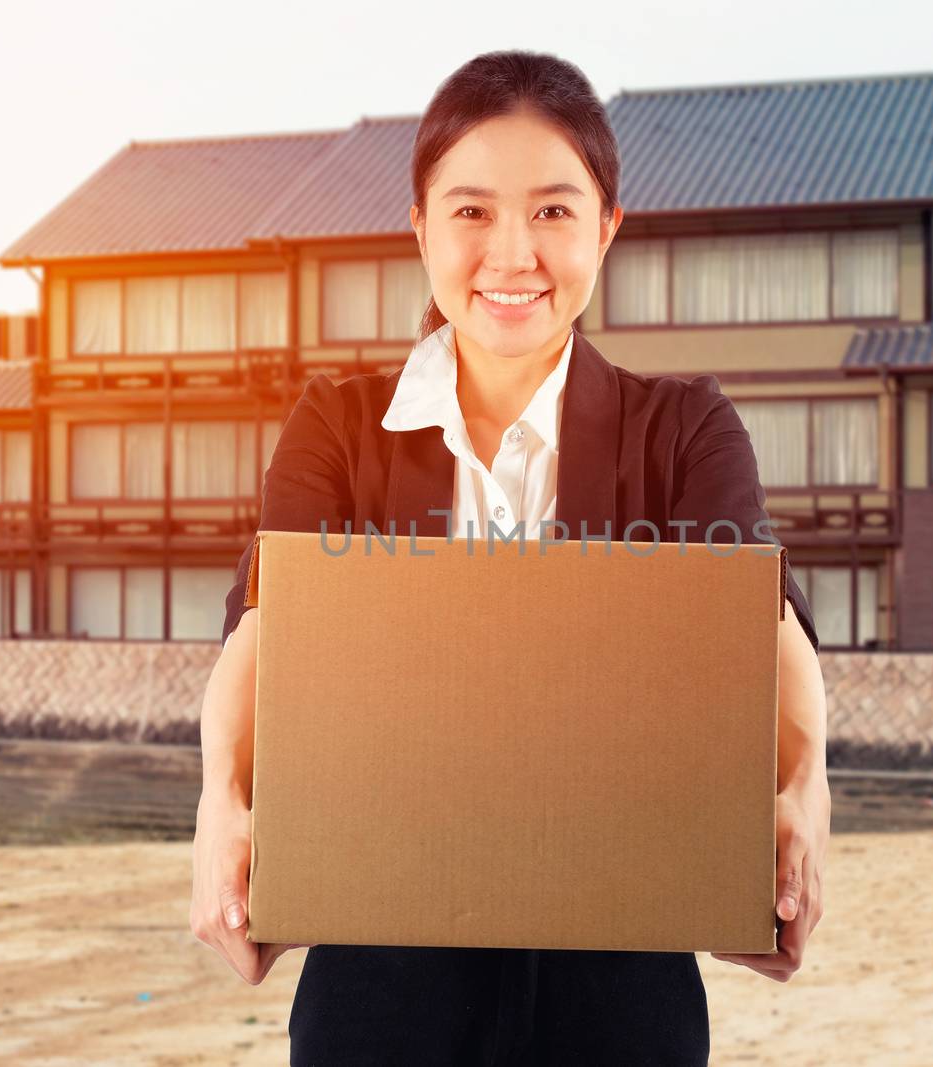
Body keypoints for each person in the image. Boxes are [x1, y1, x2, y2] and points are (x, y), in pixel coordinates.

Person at [190, 48, 831, 1066]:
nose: (511, 254)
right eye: (473, 211)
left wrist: (803, 787)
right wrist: (221, 799)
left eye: (553, 211)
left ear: (608, 227)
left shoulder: (684, 427)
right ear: (420, 227)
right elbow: (269, 624)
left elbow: (759, 614)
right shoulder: (338, 426)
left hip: (620, 970)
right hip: (380, 967)